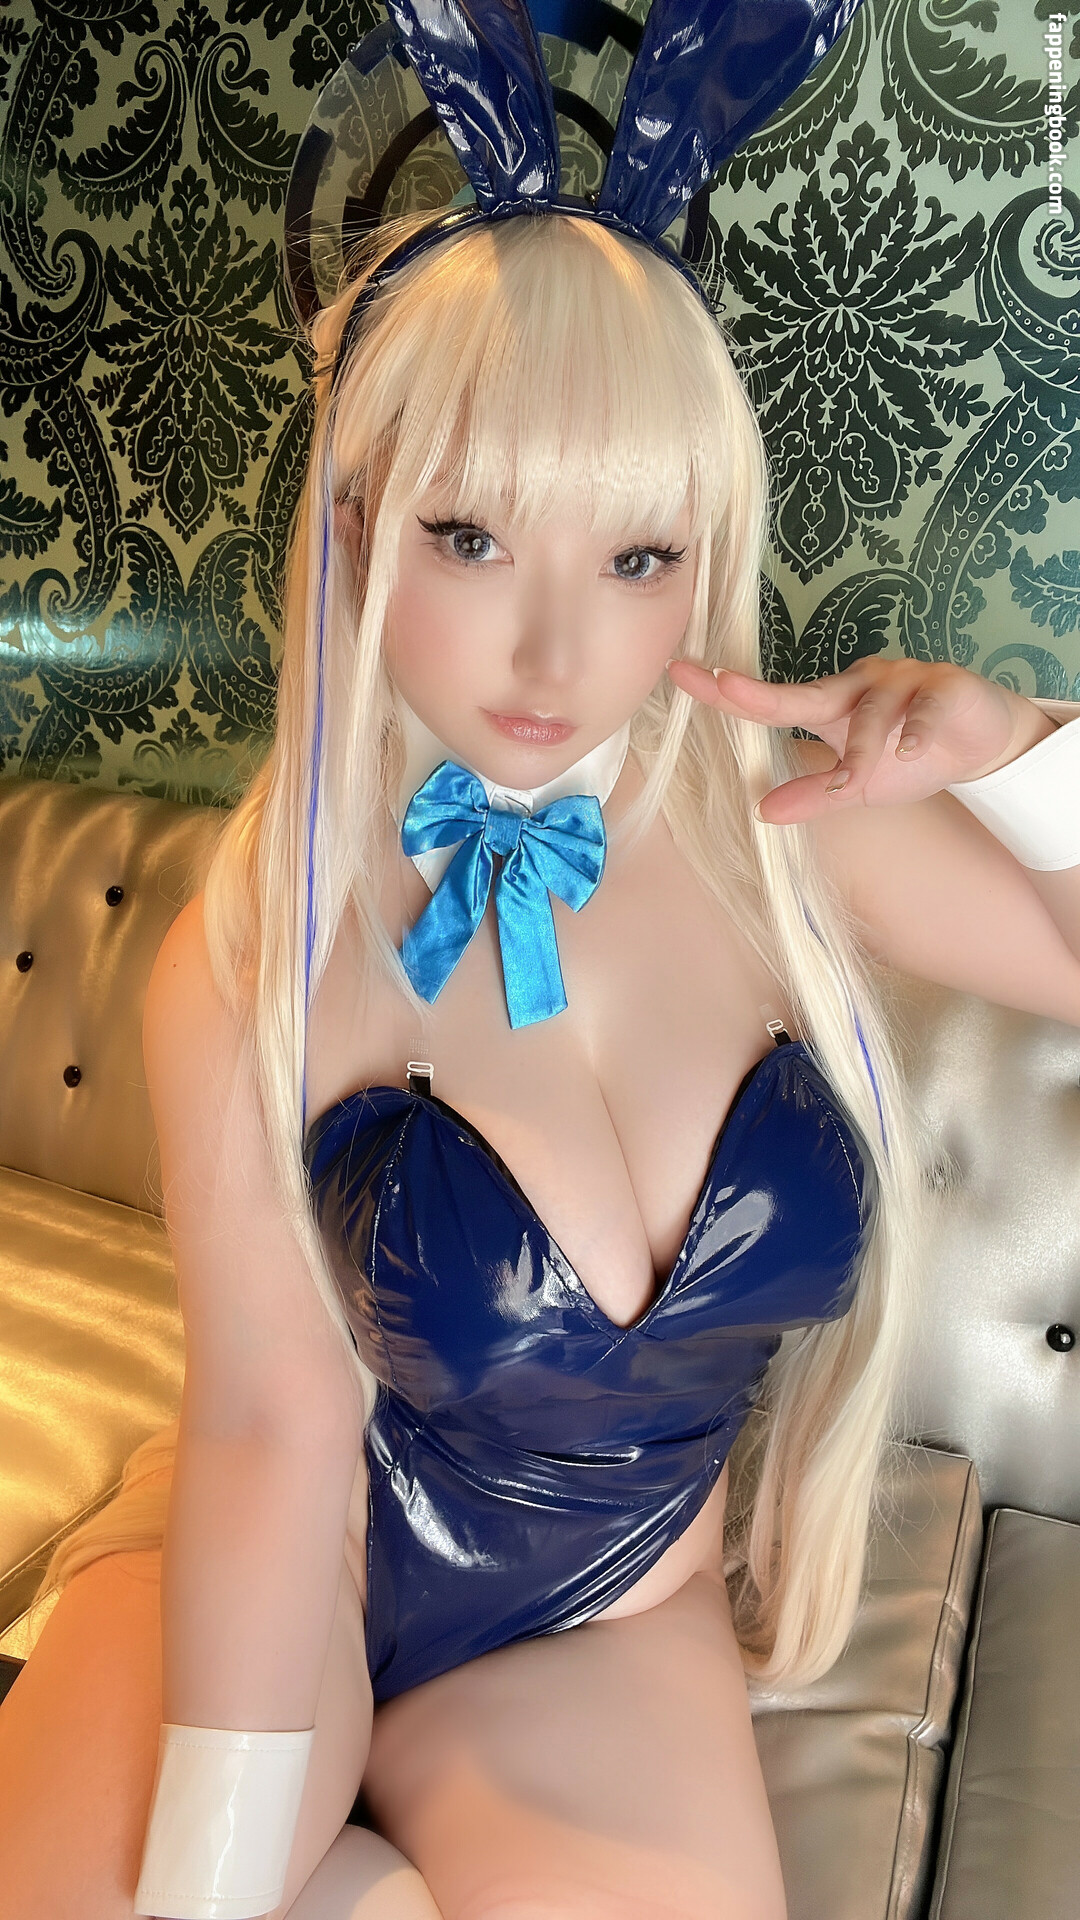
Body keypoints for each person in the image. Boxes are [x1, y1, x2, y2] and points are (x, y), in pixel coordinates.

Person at [2, 5, 1080, 1918]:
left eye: (637, 557)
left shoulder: (785, 827)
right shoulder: (253, 945)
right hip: (268, 1563)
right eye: (474, 535)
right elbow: (269, 1436)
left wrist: (1018, 757)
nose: (556, 653)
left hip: (603, 1616)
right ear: (358, 525)